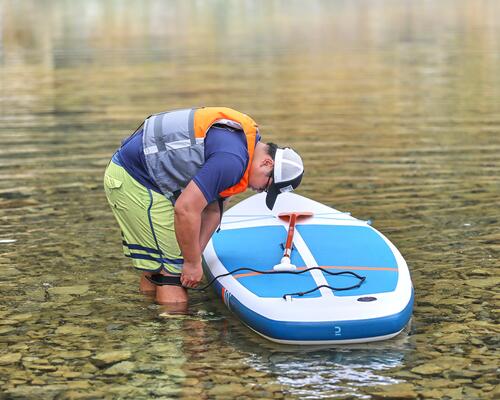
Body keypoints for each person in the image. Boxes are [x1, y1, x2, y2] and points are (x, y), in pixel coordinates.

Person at [103, 107, 304, 306]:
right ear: (266, 163)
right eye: (266, 187)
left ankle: (150, 319)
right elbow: (185, 209)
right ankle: (175, 333)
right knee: (172, 272)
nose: (259, 191)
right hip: (134, 180)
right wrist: (189, 264)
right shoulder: (232, 161)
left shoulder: (243, 147)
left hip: (137, 177)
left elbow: (213, 208)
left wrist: (194, 257)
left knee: (163, 264)